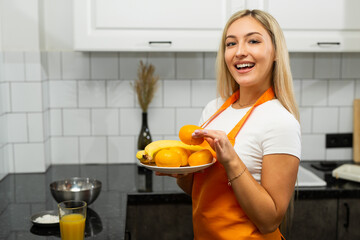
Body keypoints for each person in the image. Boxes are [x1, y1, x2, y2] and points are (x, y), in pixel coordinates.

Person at [158, 9, 301, 240]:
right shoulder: (213, 110)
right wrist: (182, 174)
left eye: (253, 41)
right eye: (231, 43)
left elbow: (269, 220)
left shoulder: (281, 121)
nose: (240, 52)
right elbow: (203, 192)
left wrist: (231, 161)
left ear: (275, 52)